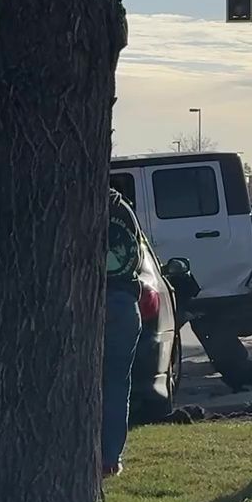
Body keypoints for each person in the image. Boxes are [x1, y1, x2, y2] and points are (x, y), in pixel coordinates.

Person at [103, 187, 143, 477]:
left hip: (90, 302)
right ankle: (109, 457)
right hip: (125, 302)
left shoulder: (76, 210)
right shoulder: (124, 211)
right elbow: (137, 257)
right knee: (117, 384)